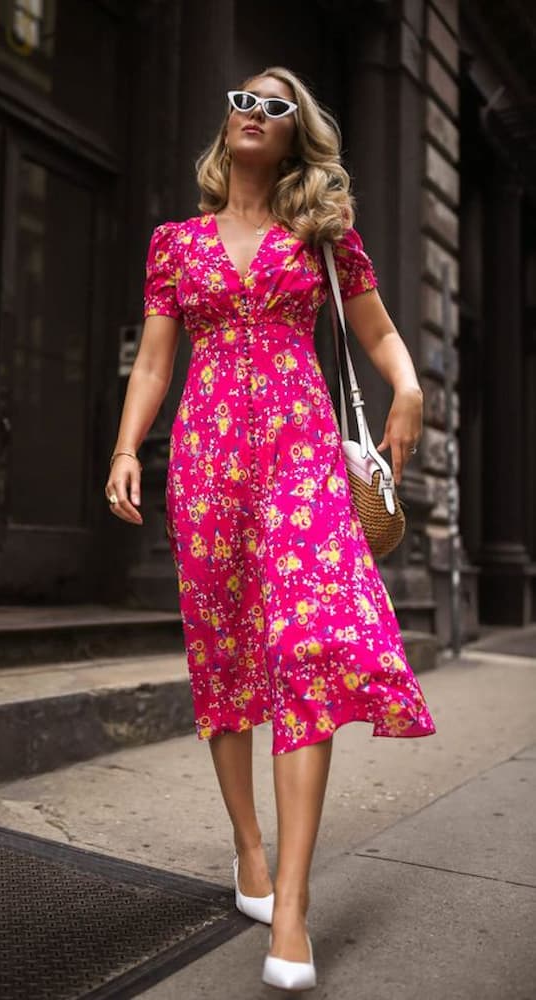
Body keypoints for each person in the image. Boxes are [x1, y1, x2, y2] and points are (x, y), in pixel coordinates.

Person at [106, 66, 437, 992]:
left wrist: (407, 387)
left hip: (301, 459)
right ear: (226, 121)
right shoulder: (174, 243)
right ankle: (248, 850)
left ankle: (290, 900)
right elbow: (153, 363)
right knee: (224, 653)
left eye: (275, 104)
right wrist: (128, 448)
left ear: (297, 133)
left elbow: (376, 337)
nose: (254, 112)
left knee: (311, 647)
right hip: (207, 461)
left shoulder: (322, 236)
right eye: (242, 99)